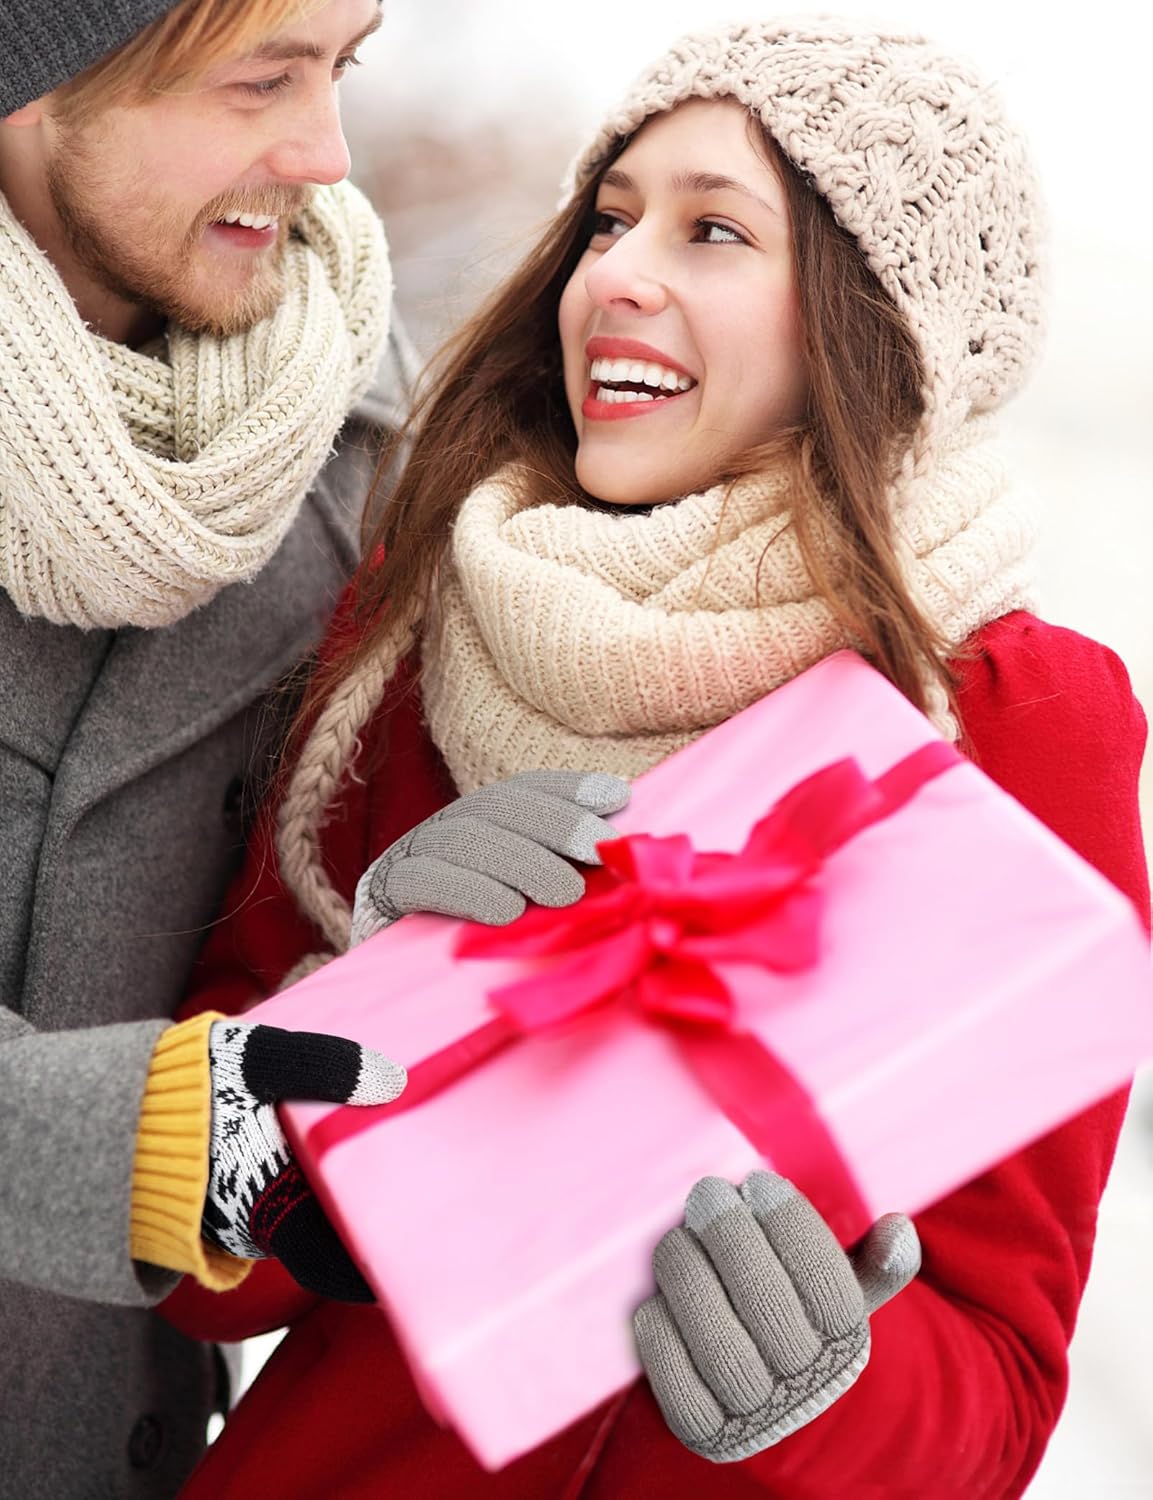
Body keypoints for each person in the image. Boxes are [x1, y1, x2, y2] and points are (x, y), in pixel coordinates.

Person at [164, 17, 1149, 1500]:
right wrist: (365, 1008)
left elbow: (995, 1403)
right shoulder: (413, 627)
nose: (614, 274)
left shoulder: (1006, 721)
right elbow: (209, 1284)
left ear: (872, 320)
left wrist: (821, 1391)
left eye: (712, 231)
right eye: (610, 218)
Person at [0, 0, 443, 1494]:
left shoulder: (352, 431)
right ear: (33, 91)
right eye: (263, 80)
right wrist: (121, 1135)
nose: (325, 152)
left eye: (343, 69)